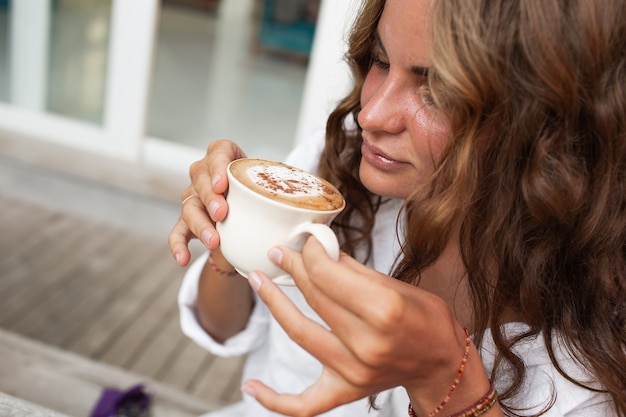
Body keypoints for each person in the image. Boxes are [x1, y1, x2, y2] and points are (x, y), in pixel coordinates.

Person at [170, 0, 626, 416]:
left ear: (547, 124)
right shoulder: (334, 167)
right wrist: (228, 238)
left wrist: (447, 377)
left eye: (440, 91)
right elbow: (220, 325)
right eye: (381, 61)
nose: (371, 115)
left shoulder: (584, 357)